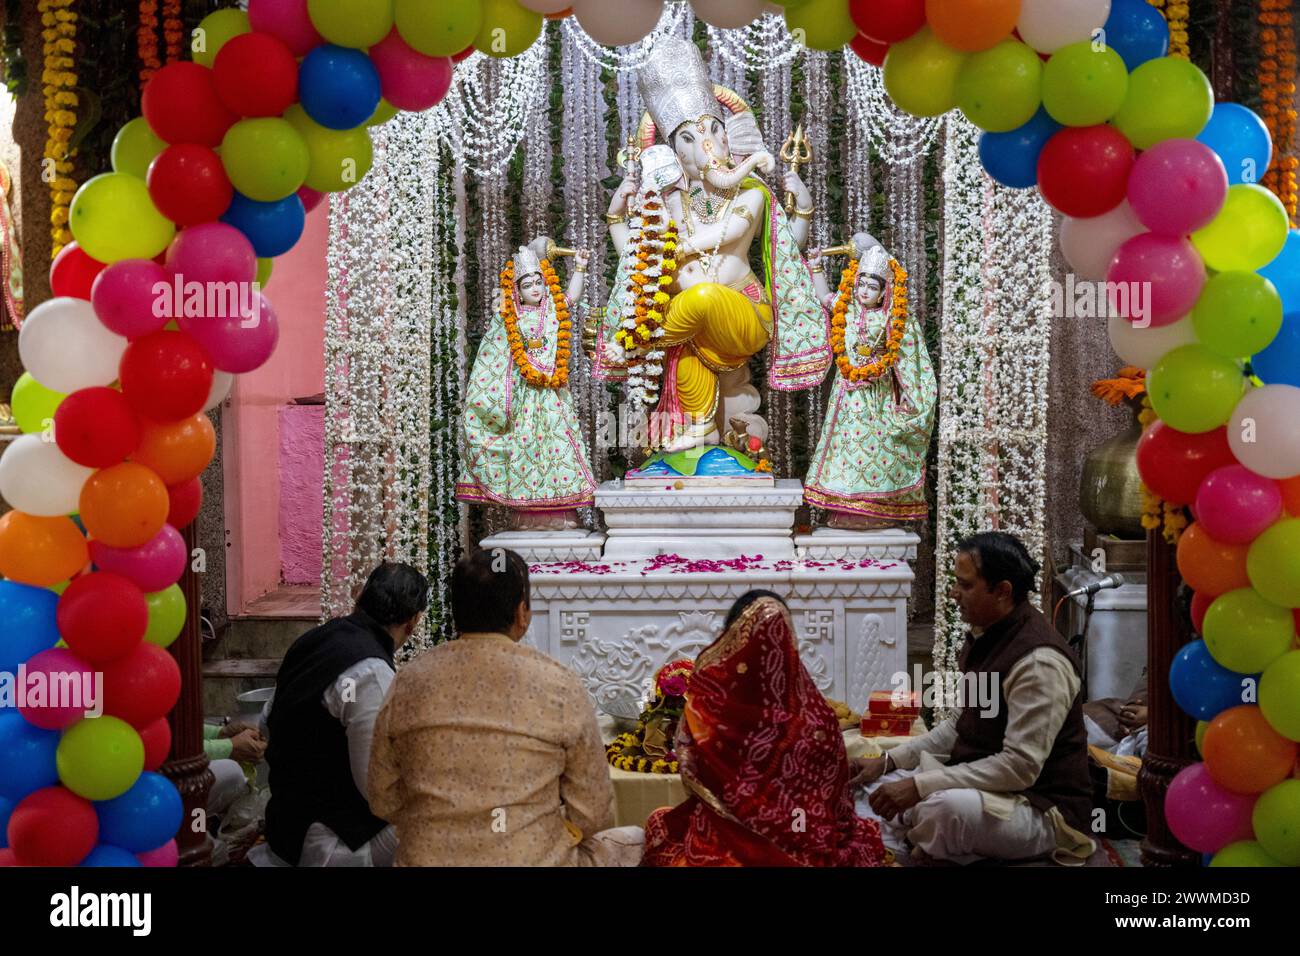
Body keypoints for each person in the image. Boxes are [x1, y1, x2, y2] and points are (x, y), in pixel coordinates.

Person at [367, 548, 643, 866]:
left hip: (427, 859)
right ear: (521, 613)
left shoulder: (407, 681)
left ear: (456, 612)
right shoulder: (559, 683)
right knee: (636, 840)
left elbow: (382, 798)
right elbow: (594, 811)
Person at [853, 532, 1096, 865]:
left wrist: (921, 785)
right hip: (989, 786)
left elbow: (1019, 768)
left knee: (944, 810)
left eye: (965, 586)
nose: (954, 593)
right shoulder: (991, 634)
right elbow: (959, 726)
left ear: (1002, 591)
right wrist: (889, 761)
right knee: (872, 784)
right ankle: (922, 838)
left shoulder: (1039, 662)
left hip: (1038, 808)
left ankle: (921, 839)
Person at [642, 589, 887, 867]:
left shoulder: (714, 717)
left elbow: (695, 773)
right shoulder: (820, 719)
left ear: (732, 643)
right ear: (788, 641)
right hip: (809, 837)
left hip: (732, 839)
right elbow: (837, 807)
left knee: (659, 823)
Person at [261, 561, 428, 867]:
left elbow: (267, 720)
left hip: (285, 820)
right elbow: (376, 789)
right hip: (330, 839)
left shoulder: (314, 640)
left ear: (359, 596)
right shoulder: (370, 672)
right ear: (413, 622)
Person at [803, 235, 936, 529]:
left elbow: (912, 360)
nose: (864, 290)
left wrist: (911, 400)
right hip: (846, 398)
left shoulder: (894, 319)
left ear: (884, 291)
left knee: (877, 452)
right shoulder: (847, 310)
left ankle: (874, 511)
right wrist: (815, 268)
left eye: (872, 286)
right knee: (846, 453)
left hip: (878, 398)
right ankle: (845, 510)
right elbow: (824, 298)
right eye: (861, 283)